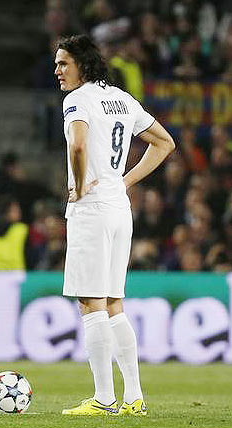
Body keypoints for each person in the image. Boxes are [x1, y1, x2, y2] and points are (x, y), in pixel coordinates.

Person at [54, 35, 175, 416]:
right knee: (113, 304)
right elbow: (165, 143)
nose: (57, 70)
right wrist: (125, 180)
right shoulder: (121, 98)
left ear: (82, 65)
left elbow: (77, 145)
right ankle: (134, 397)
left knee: (91, 303)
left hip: (91, 208)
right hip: (119, 208)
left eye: (63, 63)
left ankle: (104, 399)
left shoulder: (77, 100)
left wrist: (78, 183)